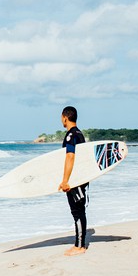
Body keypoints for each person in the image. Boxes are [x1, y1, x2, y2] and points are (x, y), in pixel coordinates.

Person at [58, 106, 88, 256]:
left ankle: (80, 246)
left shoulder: (71, 135)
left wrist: (65, 181)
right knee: (79, 211)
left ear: (65, 117)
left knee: (77, 212)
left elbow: (70, 156)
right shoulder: (79, 134)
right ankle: (79, 243)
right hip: (80, 178)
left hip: (75, 181)